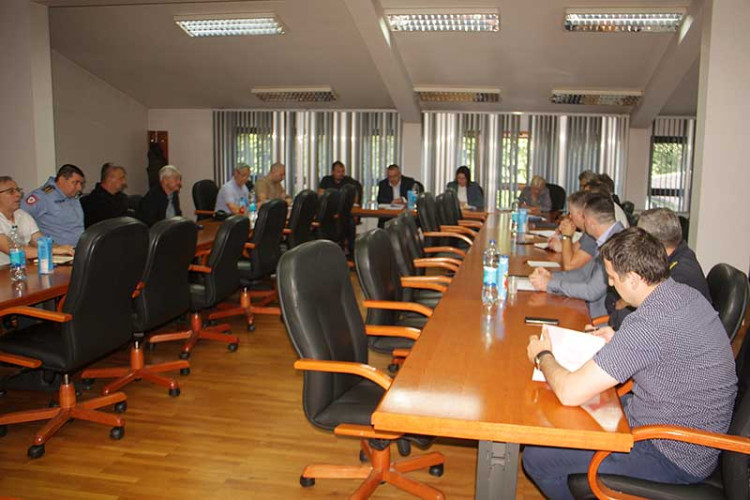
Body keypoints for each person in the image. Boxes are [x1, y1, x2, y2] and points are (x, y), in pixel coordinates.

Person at [524, 228, 737, 500]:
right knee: (570, 419)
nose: (611, 285)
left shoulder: (648, 325)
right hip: (684, 433)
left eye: (613, 278)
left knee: (537, 457)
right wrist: (617, 338)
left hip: (670, 453)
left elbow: (569, 392)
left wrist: (543, 355)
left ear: (635, 279)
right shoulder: (684, 294)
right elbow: (667, 350)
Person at [606, 207, 711, 329]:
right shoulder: (678, 255)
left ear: (651, 242)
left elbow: (647, 322)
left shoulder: (680, 276)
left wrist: (625, 304)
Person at [529, 193, 624, 318]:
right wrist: (551, 277)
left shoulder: (616, 244)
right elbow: (584, 273)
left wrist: (549, 284)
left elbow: (591, 291)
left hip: (597, 317)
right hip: (586, 308)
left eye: (584, 217)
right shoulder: (608, 237)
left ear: (590, 222)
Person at [0, 176, 74, 265]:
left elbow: (40, 241)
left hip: (22, 268)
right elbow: (14, 250)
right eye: (11, 192)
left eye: (18, 190)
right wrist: (55, 250)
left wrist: (66, 250)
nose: (18, 194)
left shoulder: (22, 215)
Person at [22, 164, 85, 247]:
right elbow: (20, 218)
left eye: (81, 183)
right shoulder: (42, 196)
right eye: (75, 182)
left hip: (77, 249)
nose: (79, 188)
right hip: (55, 251)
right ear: (62, 180)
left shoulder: (73, 196)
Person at [547, 191, 596, 270]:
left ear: (581, 214)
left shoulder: (593, 235)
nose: (570, 216)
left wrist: (566, 236)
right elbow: (573, 250)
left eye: (571, 213)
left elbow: (569, 266)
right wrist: (560, 243)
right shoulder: (587, 233)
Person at [80, 163, 129, 228]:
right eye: (121, 178)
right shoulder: (92, 202)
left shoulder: (123, 199)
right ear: (109, 179)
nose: (124, 182)